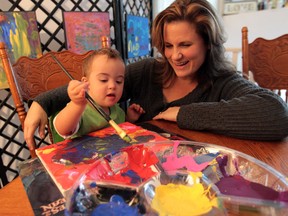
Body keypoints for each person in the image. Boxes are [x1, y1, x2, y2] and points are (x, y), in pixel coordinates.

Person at [24, 0, 288, 151]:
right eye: (168, 46)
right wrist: (43, 102)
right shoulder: (148, 70)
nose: (175, 56)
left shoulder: (223, 82)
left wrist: (183, 114)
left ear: (208, 42)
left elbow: (277, 115)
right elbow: (93, 87)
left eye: (185, 45)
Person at [50, 48, 144, 142]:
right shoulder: (80, 109)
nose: (112, 86)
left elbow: (120, 131)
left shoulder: (117, 110)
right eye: (103, 80)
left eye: (119, 81)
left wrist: (129, 119)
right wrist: (76, 104)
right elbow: (63, 129)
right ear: (86, 83)